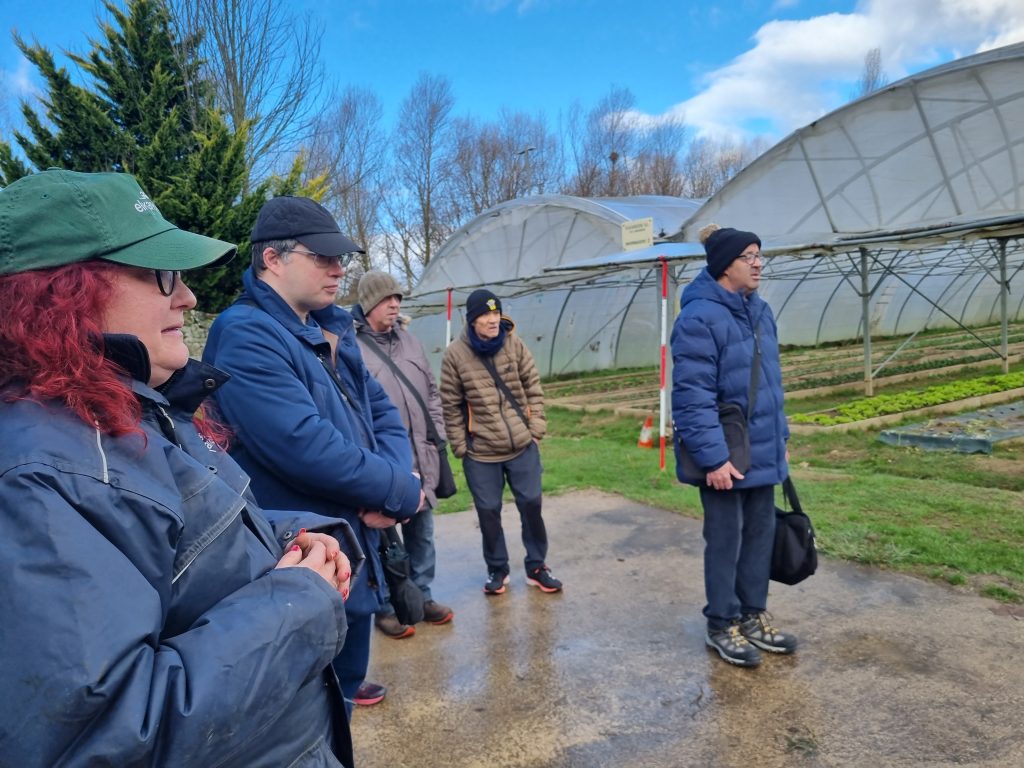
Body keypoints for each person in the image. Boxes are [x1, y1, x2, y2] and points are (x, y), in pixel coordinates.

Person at [0, 170, 355, 766]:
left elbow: (182, 552)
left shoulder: (122, 409)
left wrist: (289, 540)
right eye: (161, 274)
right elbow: (102, 735)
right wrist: (299, 602)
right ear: (63, 292)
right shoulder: (42, 474)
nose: (187, 297)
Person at [202, 196, 423, 710]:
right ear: (272, 259)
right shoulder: (245, 334)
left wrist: (392, 489)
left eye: (339, 258)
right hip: (305, 559)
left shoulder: (329, 328)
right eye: (322, 257)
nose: (339, 269)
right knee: (310, 708)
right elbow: (305, 446)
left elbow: (382, 411)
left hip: (351, 545)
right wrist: (399, 488)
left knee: (346, 682)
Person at [670, 223, 795, 668]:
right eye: (749, 256)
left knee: (760, 536)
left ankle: (752, 615)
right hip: (726, 454)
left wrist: (781, 438)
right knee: (726, 541)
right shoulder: (698, 318)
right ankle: (721, 623)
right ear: (726, 265)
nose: (758, 264)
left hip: (762, 447)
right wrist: (714, 458)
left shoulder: (761, 312)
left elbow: (772, 384)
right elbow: (692, 396)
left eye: (760, 255)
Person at [353, 271, 455, 638]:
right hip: (382, 460)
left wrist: (437, 434)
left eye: (397, 298)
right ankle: (387, 606)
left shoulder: (410, 341)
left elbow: (432, 393)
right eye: (386, 298)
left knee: (422, 534)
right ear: (368, 303)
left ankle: (422, 596)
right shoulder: (351, 346)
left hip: (421, 456)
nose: (395, 304)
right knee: (383, 539)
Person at [440, 289, 562, 595]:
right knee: (488, 511)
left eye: (496, 313)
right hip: (481, 452)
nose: (493, 320)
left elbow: (533, 385)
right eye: (486, 314)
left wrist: (536, 428)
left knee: (531, 504)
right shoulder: (455, 355)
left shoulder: (513, 343)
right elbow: (450, 405)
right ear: (472, 320)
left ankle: (537, 566)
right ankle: (497, 569)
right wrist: (461, 446)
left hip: (522, 445)